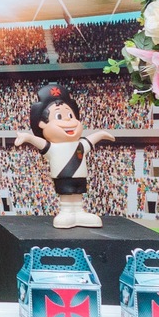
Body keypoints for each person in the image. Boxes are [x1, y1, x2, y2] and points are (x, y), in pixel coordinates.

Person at [14, 83, 115, 228]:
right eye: (59, 116)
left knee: (78, 194)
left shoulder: (80, 145)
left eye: (70, 115)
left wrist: (102, 134)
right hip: (63, 176)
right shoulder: (53, 148)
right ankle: (66, 211)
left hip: (79, 176)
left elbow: (91, 140)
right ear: (42, 124)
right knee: (66, 195)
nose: (67, 120)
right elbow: (41, 144)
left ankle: (79, 212)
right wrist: (27, 137)